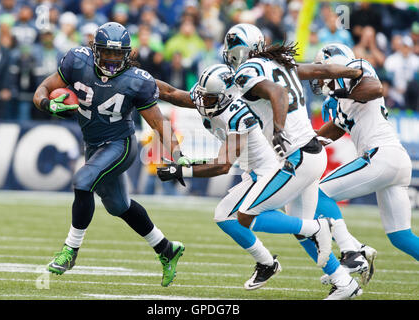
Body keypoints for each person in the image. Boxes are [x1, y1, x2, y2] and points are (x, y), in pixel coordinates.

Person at [32, 22, 189, 287]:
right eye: (108, 53)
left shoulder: (136, 80)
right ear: (96, 50)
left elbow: (158, 122)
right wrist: (48, 105)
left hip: (120, 145)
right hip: (93, 145)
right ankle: (166, 248)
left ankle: (70, 250)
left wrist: (178, 153)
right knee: (119, 206)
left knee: (83, 182)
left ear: (127, 53)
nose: (113, 59)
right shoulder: (76, 62)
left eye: (119, 54)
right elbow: (42, 89)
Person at [156, 63, 337, 291]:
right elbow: (171, 94)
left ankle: (315, 228)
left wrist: (180, 170)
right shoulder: (210, 97)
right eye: (202, 96)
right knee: (224, 216)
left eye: (209, 98)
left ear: (225, 96)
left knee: (246, 216)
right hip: (255, 172)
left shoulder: (238, 114)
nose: (202, 102)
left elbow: (223, 165)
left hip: (271, 170)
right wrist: (140, 79)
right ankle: (268, 263)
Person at [222, 24, 364, 300]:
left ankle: (318, 228)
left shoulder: (247, 70)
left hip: (297, 156)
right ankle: (344, 283)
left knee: (246, 216)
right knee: (299, 226)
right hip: (312, 154)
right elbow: (323, 71)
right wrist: (355, 72)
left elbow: (278, 93)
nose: (230, 53)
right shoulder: (278, 64)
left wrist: (277, 129)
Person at [312, 44, 419, 269]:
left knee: (317, 194)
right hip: (393, 160)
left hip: (381, 154)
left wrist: (337, 91)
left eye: (323, 70)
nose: (320, 77)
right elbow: (335, 129)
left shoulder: (356, 69)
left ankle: (353, 251)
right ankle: (355, 250)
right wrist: (306, 143)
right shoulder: (341, 101)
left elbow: (375, 89)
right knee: (401, 236)